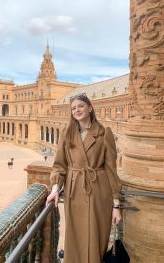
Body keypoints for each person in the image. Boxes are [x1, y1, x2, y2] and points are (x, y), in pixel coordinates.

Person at [46, 93, 122, 263]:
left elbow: (111, 170)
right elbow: (59, 164)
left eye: (80, 106)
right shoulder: (67, 132)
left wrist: (116, 205)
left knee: (97, 237)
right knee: (75, 238)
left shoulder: (104, 133)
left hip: (99, 193)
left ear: (90, 108)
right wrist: (55, 188)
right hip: (75, 193)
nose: (77, 110)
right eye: (73, 108)